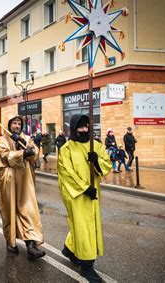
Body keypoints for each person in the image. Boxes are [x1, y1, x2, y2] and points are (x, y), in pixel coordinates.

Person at [57, 114, 112, 282]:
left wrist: (96, 162)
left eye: (86, 126)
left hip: (93, 194)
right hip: (76, 195)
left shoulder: (95, 145)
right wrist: (84, 188)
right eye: (80, 127)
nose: (84, 130)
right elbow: (66, 173)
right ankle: (87, 267)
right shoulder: (67, 149)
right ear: (74, 128)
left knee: (85, 225)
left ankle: (69, 248)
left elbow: (107, 164)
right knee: (84, 227)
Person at [0, 115, 45, 261]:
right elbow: (4, 156)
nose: (17, 126)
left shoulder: (26, 137)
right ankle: (10, 242)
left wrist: (29, 149)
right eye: (14, 123)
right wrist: (22, 153)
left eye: (19, 123)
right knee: (10, 212)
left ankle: (31, 246)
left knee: (28, 210)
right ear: (9, 125)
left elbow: (34, 153)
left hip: (25, 181)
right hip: (9, 181)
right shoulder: (2, 139)